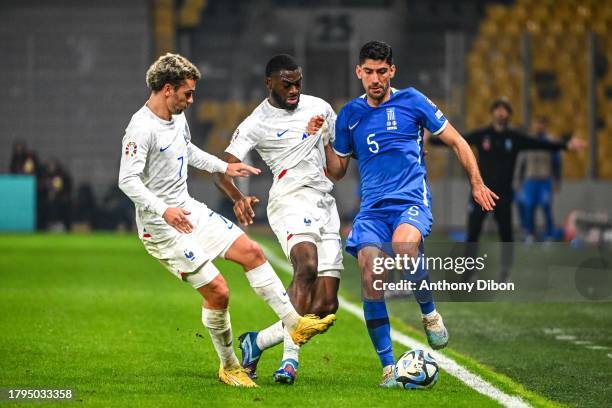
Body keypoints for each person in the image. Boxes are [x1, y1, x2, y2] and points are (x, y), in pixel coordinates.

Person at [117, 53, 335, 388]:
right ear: (166, 89)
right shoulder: (140, 128)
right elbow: (127, 180)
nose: (191, 100)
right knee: (219, 292)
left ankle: (294, 323)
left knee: (252, 253)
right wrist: (164, 211)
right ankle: (230, 365)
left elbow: (187, 151)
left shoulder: (175, 119)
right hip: (161, 228)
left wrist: (224, 167)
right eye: (186, 94)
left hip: (188, 209)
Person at [323, 40, 498, 387]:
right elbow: (337, 170)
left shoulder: (413, 100)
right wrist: (323, 140)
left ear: (392, 71)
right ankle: (389, 368)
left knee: (404, 248)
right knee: (372, 279)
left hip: (410, 201)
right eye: (368, 72)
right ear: (359, 72)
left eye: (381, 71)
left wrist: (476, 183)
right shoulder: (349, 115)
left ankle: (429, 314)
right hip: (372, 210)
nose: (375, 78)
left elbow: (459, 142)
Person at [216, 54, 342, 384]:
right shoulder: (256, 122)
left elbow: (338, 170)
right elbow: (222, 170)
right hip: (289, 199)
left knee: (327, 305)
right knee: (307, 267)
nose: (295, 89)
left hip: (324, 203)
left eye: (298, 82)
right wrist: (237, 197)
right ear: (269, 82)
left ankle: (256, 342)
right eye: (287, 83)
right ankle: (290, 361)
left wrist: (329, 137)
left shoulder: (321, 108)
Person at [430, 98, 584, 281]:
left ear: (509, 114)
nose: (501, 113)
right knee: (472, 234)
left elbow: (540, 143)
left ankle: (505, 273)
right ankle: (468, 273)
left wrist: (565, 145)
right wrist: (431, 140)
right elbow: (457, 141)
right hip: (480, 194)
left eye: (505, 110)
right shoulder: (483, 135)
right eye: (498, 109)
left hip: (503, 196)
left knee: (506, 236)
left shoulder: (515, 138)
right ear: (492, 112)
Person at [516, 116, 562, 241]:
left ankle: (549, 234)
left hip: (544, 179)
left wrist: (557, 180)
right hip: (530, 180)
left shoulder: (550, 141)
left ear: (545, 126)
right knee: (529, 207)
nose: (538, 127)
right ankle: (530, 233)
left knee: (546, 205)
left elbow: (556, 162)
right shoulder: (528, 140)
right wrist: (519, 181)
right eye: (537, 124)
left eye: (541, 124)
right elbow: (522, 163)